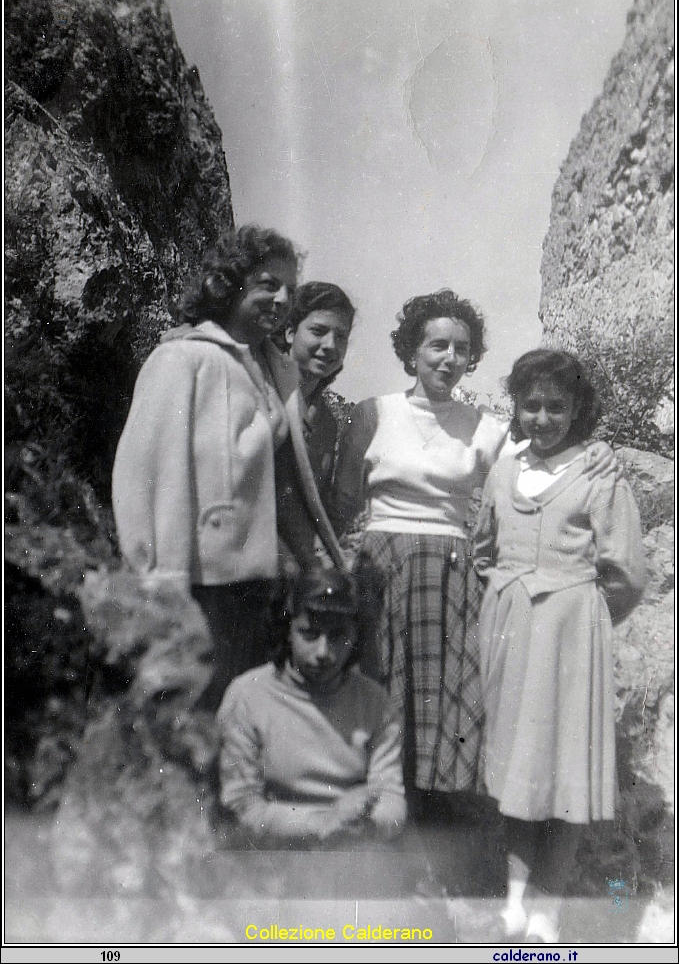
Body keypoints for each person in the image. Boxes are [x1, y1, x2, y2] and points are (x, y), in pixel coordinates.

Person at [332, 291, 618, 807]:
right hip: (381, 570)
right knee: (379, 685)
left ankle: (434, 818)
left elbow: (545, 457)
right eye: (437, 345)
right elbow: (341, 504)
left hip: (452, 577)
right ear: (412, 350)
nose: (449, 358)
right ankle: (375, 805)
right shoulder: (374, 414)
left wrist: (595, 451)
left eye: (461, 349)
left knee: (447, 702)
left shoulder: (485, 426)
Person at [112, 225, 343, 713]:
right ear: (227, 285)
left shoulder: (270, 369)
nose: (282, 299)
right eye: (266, 284)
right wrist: (161, 585)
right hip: (197, 587)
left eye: (289, 290)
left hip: (253, 584)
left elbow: (287, 482)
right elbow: (149, 481)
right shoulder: (182, 358)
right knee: (190, 722)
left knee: (237, 726)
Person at [473, 349, 646, 942]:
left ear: (577, 409)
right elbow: (482, 551)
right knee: (519, 769)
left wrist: (586, 618)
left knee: (566, 771)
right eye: (531, 405)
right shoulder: (502, 471)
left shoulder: (600, 473)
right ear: (516, 408)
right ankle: (515, 902)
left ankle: (548, 909)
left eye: (556, 406)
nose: (542, 418)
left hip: (573, 640)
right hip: (511, 638)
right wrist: (505, 598)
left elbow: (626, 572)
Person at [217, 567, 406, 848]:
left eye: (338, 636)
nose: (323, 653)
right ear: (287, 631)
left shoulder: (375, 702)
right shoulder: (247, 696)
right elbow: (240, 806)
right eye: (309, 634)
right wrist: (323, 822)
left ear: (356, 637)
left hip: (353, 845)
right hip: (273, 851)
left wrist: (365, 826)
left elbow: (391, 797)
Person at [280, 281, 356, 511]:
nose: (330, 345)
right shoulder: (259, 391)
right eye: (318, 331)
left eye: (341, 336)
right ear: (290, 332)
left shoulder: (326, 423)